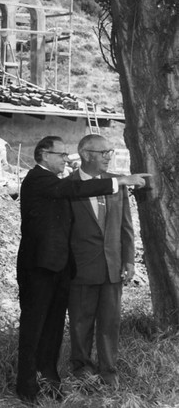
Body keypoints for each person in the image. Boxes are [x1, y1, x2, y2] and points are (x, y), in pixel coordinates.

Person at [15, 135, 149, 405]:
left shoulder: (54, 181)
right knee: (34, 327)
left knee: (53, 328)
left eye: (67, 155)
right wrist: (120, 180)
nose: (66, 159)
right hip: (39, 269)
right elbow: (75, 191)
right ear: (43, 155)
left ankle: (50, 380)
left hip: (58, 269)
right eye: (61, 155)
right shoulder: (39, 179)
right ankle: (27, 386)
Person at [67, 134, 135, 387]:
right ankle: (81, 370)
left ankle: (109, 373)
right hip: (80, 269)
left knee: (110, 323)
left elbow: (126, 226)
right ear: (86, 154)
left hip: (113, 268)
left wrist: (129, 260)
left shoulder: (118, 183)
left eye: (111, 152)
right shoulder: (68, 185)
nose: (109, 156)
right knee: (80, 323)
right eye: (104, 151)